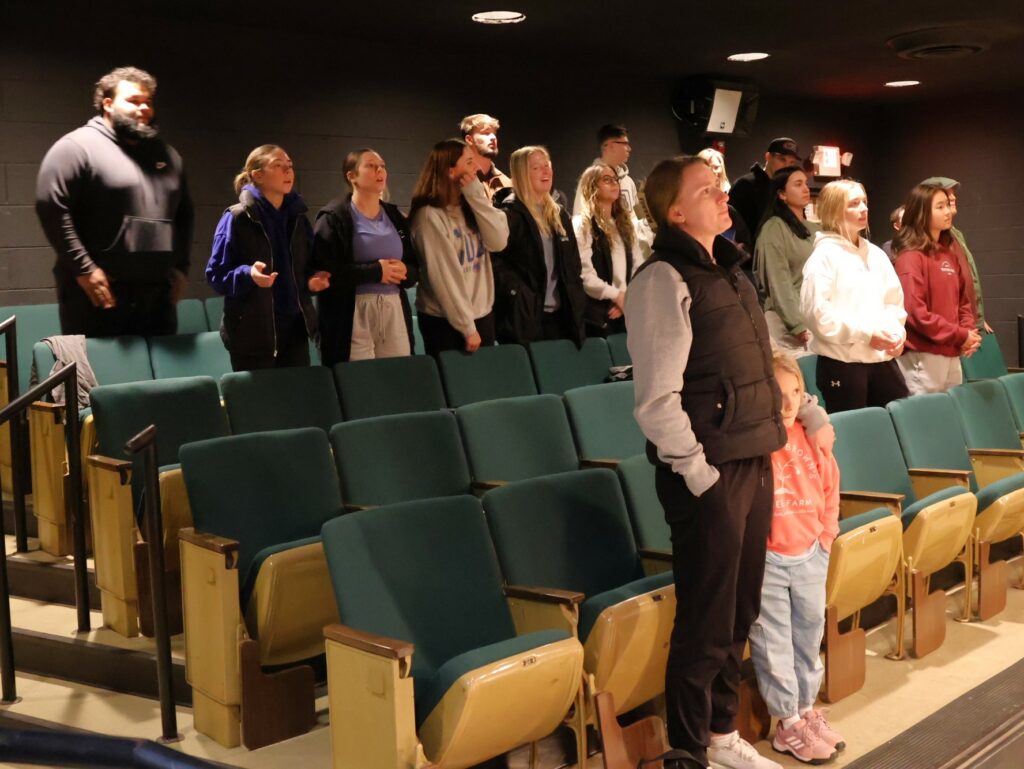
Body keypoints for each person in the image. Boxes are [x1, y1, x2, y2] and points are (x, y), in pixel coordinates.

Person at [627, 154, 830, 769]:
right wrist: (699, 475)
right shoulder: (663, 279)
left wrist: (809, 412)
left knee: (740, 608)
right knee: (706, 618)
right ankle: (687, 751)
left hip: (753, 455)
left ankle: (720, 735)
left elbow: (766, 366)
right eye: (706, 189)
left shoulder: (731, 271)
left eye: (721, 187)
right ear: (676, 210)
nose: (721, 195)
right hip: (710, 471)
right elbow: (656, 400)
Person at [36, 66, 194, 337]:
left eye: (148, 102)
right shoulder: (77, 147)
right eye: (133, 101)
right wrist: (84, 269)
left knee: (157, 380)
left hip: (157, 295)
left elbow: (184, 214)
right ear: (108, 104)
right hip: (100, 293)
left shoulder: (167, 156)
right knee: (105, 376)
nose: (143, 108)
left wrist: (181, 267)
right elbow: (51, 207)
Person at [749, 352, 843, 766]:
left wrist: (826, 538)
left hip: (810, 552)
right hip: (768, 560)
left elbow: (830, 486)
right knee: (774, 644)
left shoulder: (813, 435)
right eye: (777, 393)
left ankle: (806, 710)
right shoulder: (752, 440)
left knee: (808, 635)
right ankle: (787, 723)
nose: (787, 403)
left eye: (795, 393)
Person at [206, 145, 323, 371]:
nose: (287, 171)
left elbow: (305, 268)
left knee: (296, 401)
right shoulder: (237, 218)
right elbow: (216, 276)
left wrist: (311, 281)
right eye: (278, 166)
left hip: (295, 330)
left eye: (289, 166)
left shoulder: (298, 218)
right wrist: (248, 274)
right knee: (261, 404)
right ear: (257, 175)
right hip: (252, 335)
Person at [800, 180, 909, 412]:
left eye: (865, 202)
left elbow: (893, 302)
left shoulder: (877, 254)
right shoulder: (823, 257)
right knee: (855, 436)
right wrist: (867, 334)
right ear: (833, 209)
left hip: (882, 362)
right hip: (842, 365)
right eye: (854, 203)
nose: (863, 209)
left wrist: (896, 333)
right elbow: (818, 315)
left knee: (894, 431)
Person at [312, 149, 419, 366]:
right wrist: (376, 271)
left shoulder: (394, 216)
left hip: (393, 308)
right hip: (352, 311)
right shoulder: (333, 217)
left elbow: (415, 265)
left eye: (382, 166)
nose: (380, 170)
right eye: (370, 165)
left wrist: (406, 271)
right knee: (360, 382)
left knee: (397, 375)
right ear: (351, 176)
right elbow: (326, 271)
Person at [409, 138, 508, 356]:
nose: (476, 168)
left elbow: (499, 241)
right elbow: (444, 277)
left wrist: (476, 196)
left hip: (482, 314)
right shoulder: (429, 216)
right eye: (469, 162)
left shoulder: (471, 206)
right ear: (450, 170)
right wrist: (467, 326)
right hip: (447, 322)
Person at [493, 147, 586, 345]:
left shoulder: (559, 214)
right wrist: (518, 295)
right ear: (522, 174)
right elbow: (496, 263)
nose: (546, 172)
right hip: (527, 317)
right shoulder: (511, 214)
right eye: (537, 167)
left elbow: (574, 264)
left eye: (547, 165)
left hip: (561, 319)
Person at [892, 184, 980, 394]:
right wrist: (960, 335)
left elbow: (964, 302)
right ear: (922, 212)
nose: (948, 212)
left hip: (952, 353)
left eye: (948, 205)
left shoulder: (948, 253)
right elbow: (916, 314)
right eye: (940, 207)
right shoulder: (910, 257)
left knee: (950, 418)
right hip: (923, 356)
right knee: (925, 421)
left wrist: (968, 333)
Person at [752, 167, 820, 356]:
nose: (806, 189)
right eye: (798, 184)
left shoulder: (813, 229)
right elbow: (778, 281)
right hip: (789, 325)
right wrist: (797, 324)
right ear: (781, 194)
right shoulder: (774, 229)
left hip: (814, 319)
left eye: (806, 183)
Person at [572, 163, 643, 336]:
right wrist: (616, 296)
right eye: (607, 180)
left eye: (615, 180)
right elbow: (585, 273)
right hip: (599, 315)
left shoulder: (624, 224)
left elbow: (638, 266)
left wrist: (626, 298)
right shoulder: (583, 224)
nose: (614, 184)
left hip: (626, 310)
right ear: (592, 187)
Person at [921, 177, 992, 334]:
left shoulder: (955, 234)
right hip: (951, 330)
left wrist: (978, 317)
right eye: (947, 194)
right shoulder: (928, 241)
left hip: (968, 325)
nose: (953, 197)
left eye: (953, 194)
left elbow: (966, 279)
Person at [572, 124, 654, 251]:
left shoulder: (628, 181)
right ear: (610, 146)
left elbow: (638, 216)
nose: (629, 148)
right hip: (604, 251)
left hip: (630, 249)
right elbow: (581, 219)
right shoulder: (589, 180)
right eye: (624, 144)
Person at [729, 137, 802, 238]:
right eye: (782, 159)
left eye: (791, 162)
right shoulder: (745, 184)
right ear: (768, 156)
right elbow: (730, 222)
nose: (786, 166)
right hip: (752, 250)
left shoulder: (789, 188)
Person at [459, 113, 511, 200]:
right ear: (469, 139)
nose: (493, 137)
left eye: (494, 133)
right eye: (486, 133)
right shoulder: (457, 180)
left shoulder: (507, 183)